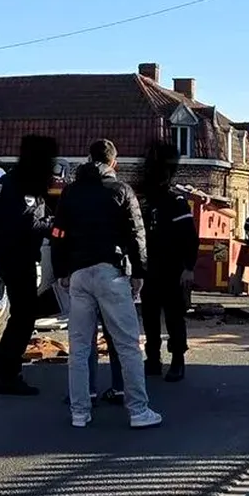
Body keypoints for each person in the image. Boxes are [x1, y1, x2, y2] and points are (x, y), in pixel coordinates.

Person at [51, 139, 162, 429]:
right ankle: (138, 411)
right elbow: (137, 234)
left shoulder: (70, 192)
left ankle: (79, 412)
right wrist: (139, 272)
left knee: (79, 348)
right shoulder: (122, 190)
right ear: (114, 163)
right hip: (111, 272)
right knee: (127, 345)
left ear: (88, 159)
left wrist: (62, 270)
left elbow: (58, 233)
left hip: (78, 274)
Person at [0, 134, 59, 396]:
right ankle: (9, 375)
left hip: (5, 254)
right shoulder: (21, 186)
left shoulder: (7, 180)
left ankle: (1, 366)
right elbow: (28, 224)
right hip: (17, 257)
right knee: (24, 317)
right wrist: (55, 227)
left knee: (20, 314)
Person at [136, 141, 200, 382]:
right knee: (150, 317)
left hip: (173, 268)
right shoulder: (144, 203)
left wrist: (188, 267)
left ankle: (177, 360)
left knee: (174, 317)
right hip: (149, 268)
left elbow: (190, 238)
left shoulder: (176, 202)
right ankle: (153, 358)